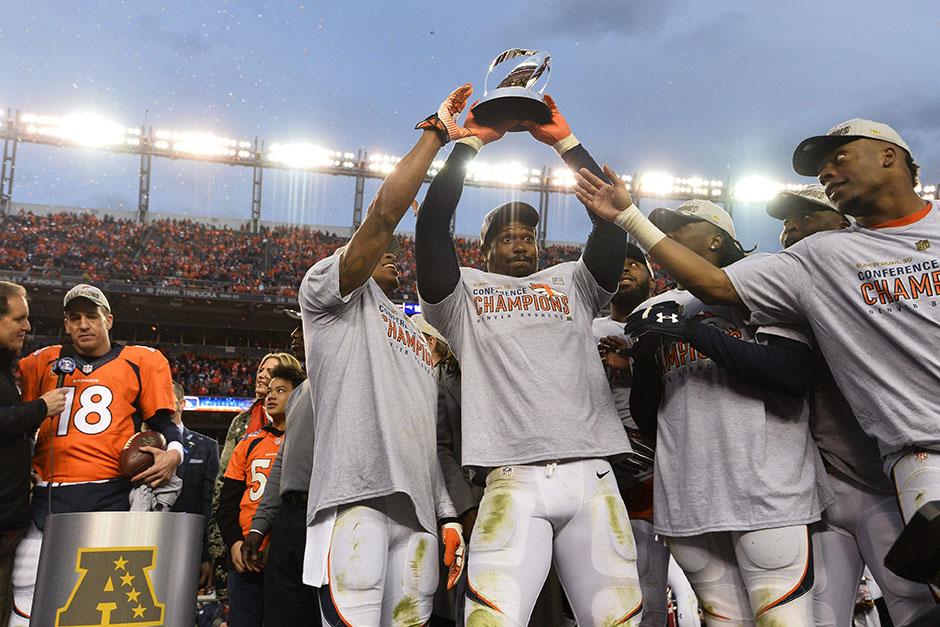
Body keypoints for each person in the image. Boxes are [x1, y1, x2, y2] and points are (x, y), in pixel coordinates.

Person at [574, 119, 940, 531]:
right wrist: (628, 217)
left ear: (888, 155)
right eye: (822, 170)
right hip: (917, 451)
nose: (826, 173)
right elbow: (714, 284)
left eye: (839, 158)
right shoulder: (818, 257)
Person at [415, 94, 643, 626]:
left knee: (618, 620)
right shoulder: (462, 295)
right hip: (510, 478)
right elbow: (431, 229)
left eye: (528, 236)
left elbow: (609, 221)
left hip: (592, 475)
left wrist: (565, 143)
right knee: (491, 620)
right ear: (484, 249)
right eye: (507, 237)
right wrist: (469, 145)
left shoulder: (572, 282)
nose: (521, 245)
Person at [299, 85, 470, 626]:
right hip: (354, 498)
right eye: (383, 252)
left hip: (419, 512)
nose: (392, 257)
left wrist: (447, 514)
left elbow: (426, 434)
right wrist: (436, 137)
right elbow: (381, 215)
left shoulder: (421, 336)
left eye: (398, 255)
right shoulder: (327, 292)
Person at [623, 200, 831, 625]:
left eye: (681, 228)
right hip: (686, 498)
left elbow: (792, 373)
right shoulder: (652, 308)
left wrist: (693, 332)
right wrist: (645, 359)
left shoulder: (762, 284)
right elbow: (649, 417)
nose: (668, 238)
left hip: (766, 491)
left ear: (716, 239)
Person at [766, 186, 935, 625]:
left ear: (844, 223)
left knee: (916, 607)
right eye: (787, 222)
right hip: (820, 486)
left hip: (893, 480)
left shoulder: (883, 287)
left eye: (806, 217)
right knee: (822, 616)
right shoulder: (785, 290)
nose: (791, 229)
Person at [10, 283, 181, 623]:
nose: (84, 325)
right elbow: (22, 423)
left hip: (110, 497)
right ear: (66, 324)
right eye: (75, 318)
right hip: (47, 498)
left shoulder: (139, 361)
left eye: (92, 316)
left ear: (109, 320)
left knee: (100, 609)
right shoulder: (42, 363)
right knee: (26, 592)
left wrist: (174, 452)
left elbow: (163, 420)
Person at [592, 246, 670, 626]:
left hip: (649, 459)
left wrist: (636, 362)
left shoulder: (664, 323)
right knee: (597, 574)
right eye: (618, 264)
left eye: (634, 263)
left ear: (652, 278)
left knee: (647, 575)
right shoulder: (585, 327)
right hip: (595, 457)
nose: (624, 269)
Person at [241, 308, 321, 627]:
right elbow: (280, 470)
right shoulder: (300, 393)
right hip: (289, 518)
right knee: (280, 614)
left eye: (300, 328)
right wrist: (258, 528)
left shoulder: (340, 383)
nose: (293, 337)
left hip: (323, 514)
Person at [208, 350, 302, 601]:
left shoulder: (304, 434)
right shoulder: (244, 427)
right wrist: (231, 543)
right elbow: (224, 491)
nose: (262, 375)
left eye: (272, 373)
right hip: (242, 539)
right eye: (261, 369)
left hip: (285, 544)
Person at [0, 282, 67, 625]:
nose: (27, 327)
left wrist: (18, 468)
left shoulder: (5, 369)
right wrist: (41, 407)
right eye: (19, 319)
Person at [169, 381, 220, 594]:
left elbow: (209, 505)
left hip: (188, 547)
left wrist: (207, 555)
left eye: (166, 396)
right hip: (143, 543)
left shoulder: (206, 447)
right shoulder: (137, 443)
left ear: (181, 404)